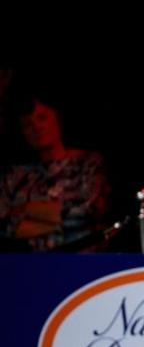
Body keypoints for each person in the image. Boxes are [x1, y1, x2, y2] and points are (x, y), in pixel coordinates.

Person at [0, 98, 110, 252]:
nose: (36, 127)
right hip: (32, 265)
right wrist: (57, 214)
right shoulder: (16, 175)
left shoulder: (89, 163)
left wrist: (27, 210)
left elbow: (89, 211)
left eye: (42, 118)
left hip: (85, 261)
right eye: (27, 124)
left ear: (57, 117)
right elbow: (5, 223)